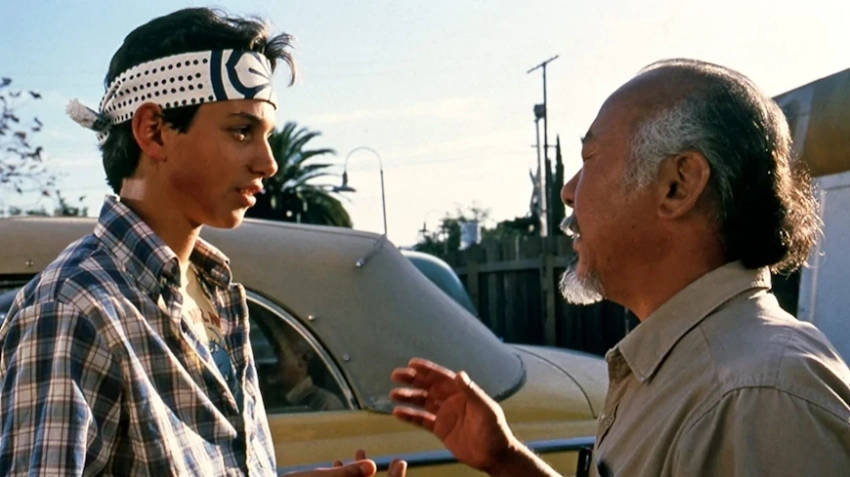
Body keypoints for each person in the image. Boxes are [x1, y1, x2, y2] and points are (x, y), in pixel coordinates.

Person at [390, 58, 850, 476]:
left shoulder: (759, 396)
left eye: (590, 158)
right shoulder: (702, 373)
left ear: (678, 184)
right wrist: (507, 460)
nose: (568, 191)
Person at [0, 7, 404, 477]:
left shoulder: (216, 292)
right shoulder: (73, 308)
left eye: (266, 135)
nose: (268, 163)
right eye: (241, 131)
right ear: (153, 131)